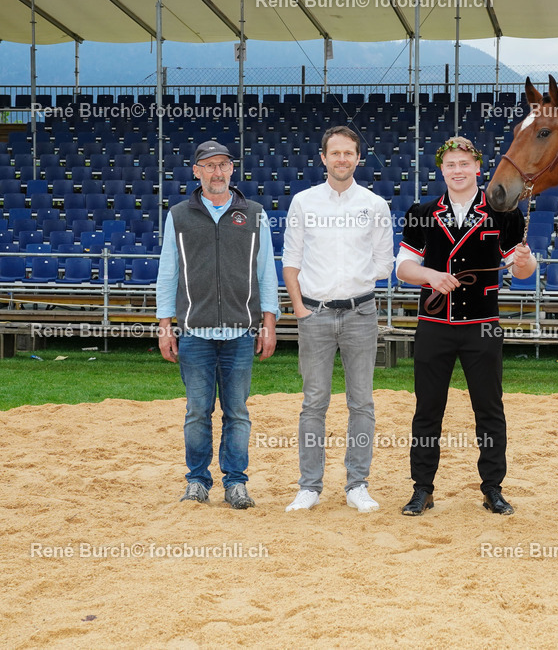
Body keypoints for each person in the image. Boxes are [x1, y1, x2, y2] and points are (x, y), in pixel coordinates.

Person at [396, 136, 537, 517]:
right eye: (450, 165)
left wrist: (525, 260)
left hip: (483, 326)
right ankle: (422, 489)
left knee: (489, 409)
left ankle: (492, 487)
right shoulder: (422, 212)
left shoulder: (504, 214)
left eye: (464, 164)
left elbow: (523, 272)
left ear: (478, 168)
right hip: (434, 324)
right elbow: (403, 268)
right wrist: (431, 275)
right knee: (427, 410)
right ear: (441, 170)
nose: (457, 171)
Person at [157, 140, 279, 509]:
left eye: (223, 165)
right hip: (195, 333)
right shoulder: (178, 215)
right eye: (208, 166)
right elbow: (168, 273)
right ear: (196, 171)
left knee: (238, 412)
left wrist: (269, 321)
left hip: (241, 333)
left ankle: (236, 482)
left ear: (232, 170)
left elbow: (267, 272)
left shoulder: (255, 213)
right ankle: (197, 481)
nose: (216, 172)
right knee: (197, 411)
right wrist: (165, 324)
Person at [281, 126, 394, 513]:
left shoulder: (376, 206)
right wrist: (299, 309)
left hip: (361, 313)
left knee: (361, 402)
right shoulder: (304, 202)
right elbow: (291, 261)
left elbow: (384, 264)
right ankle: (309, 486)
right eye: (335, 153)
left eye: (349, 153)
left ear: (358, 158)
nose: (342, 159)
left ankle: (357, 485)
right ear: (323, 157)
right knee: (314, 403)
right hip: (314, 313)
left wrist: (352, 278)